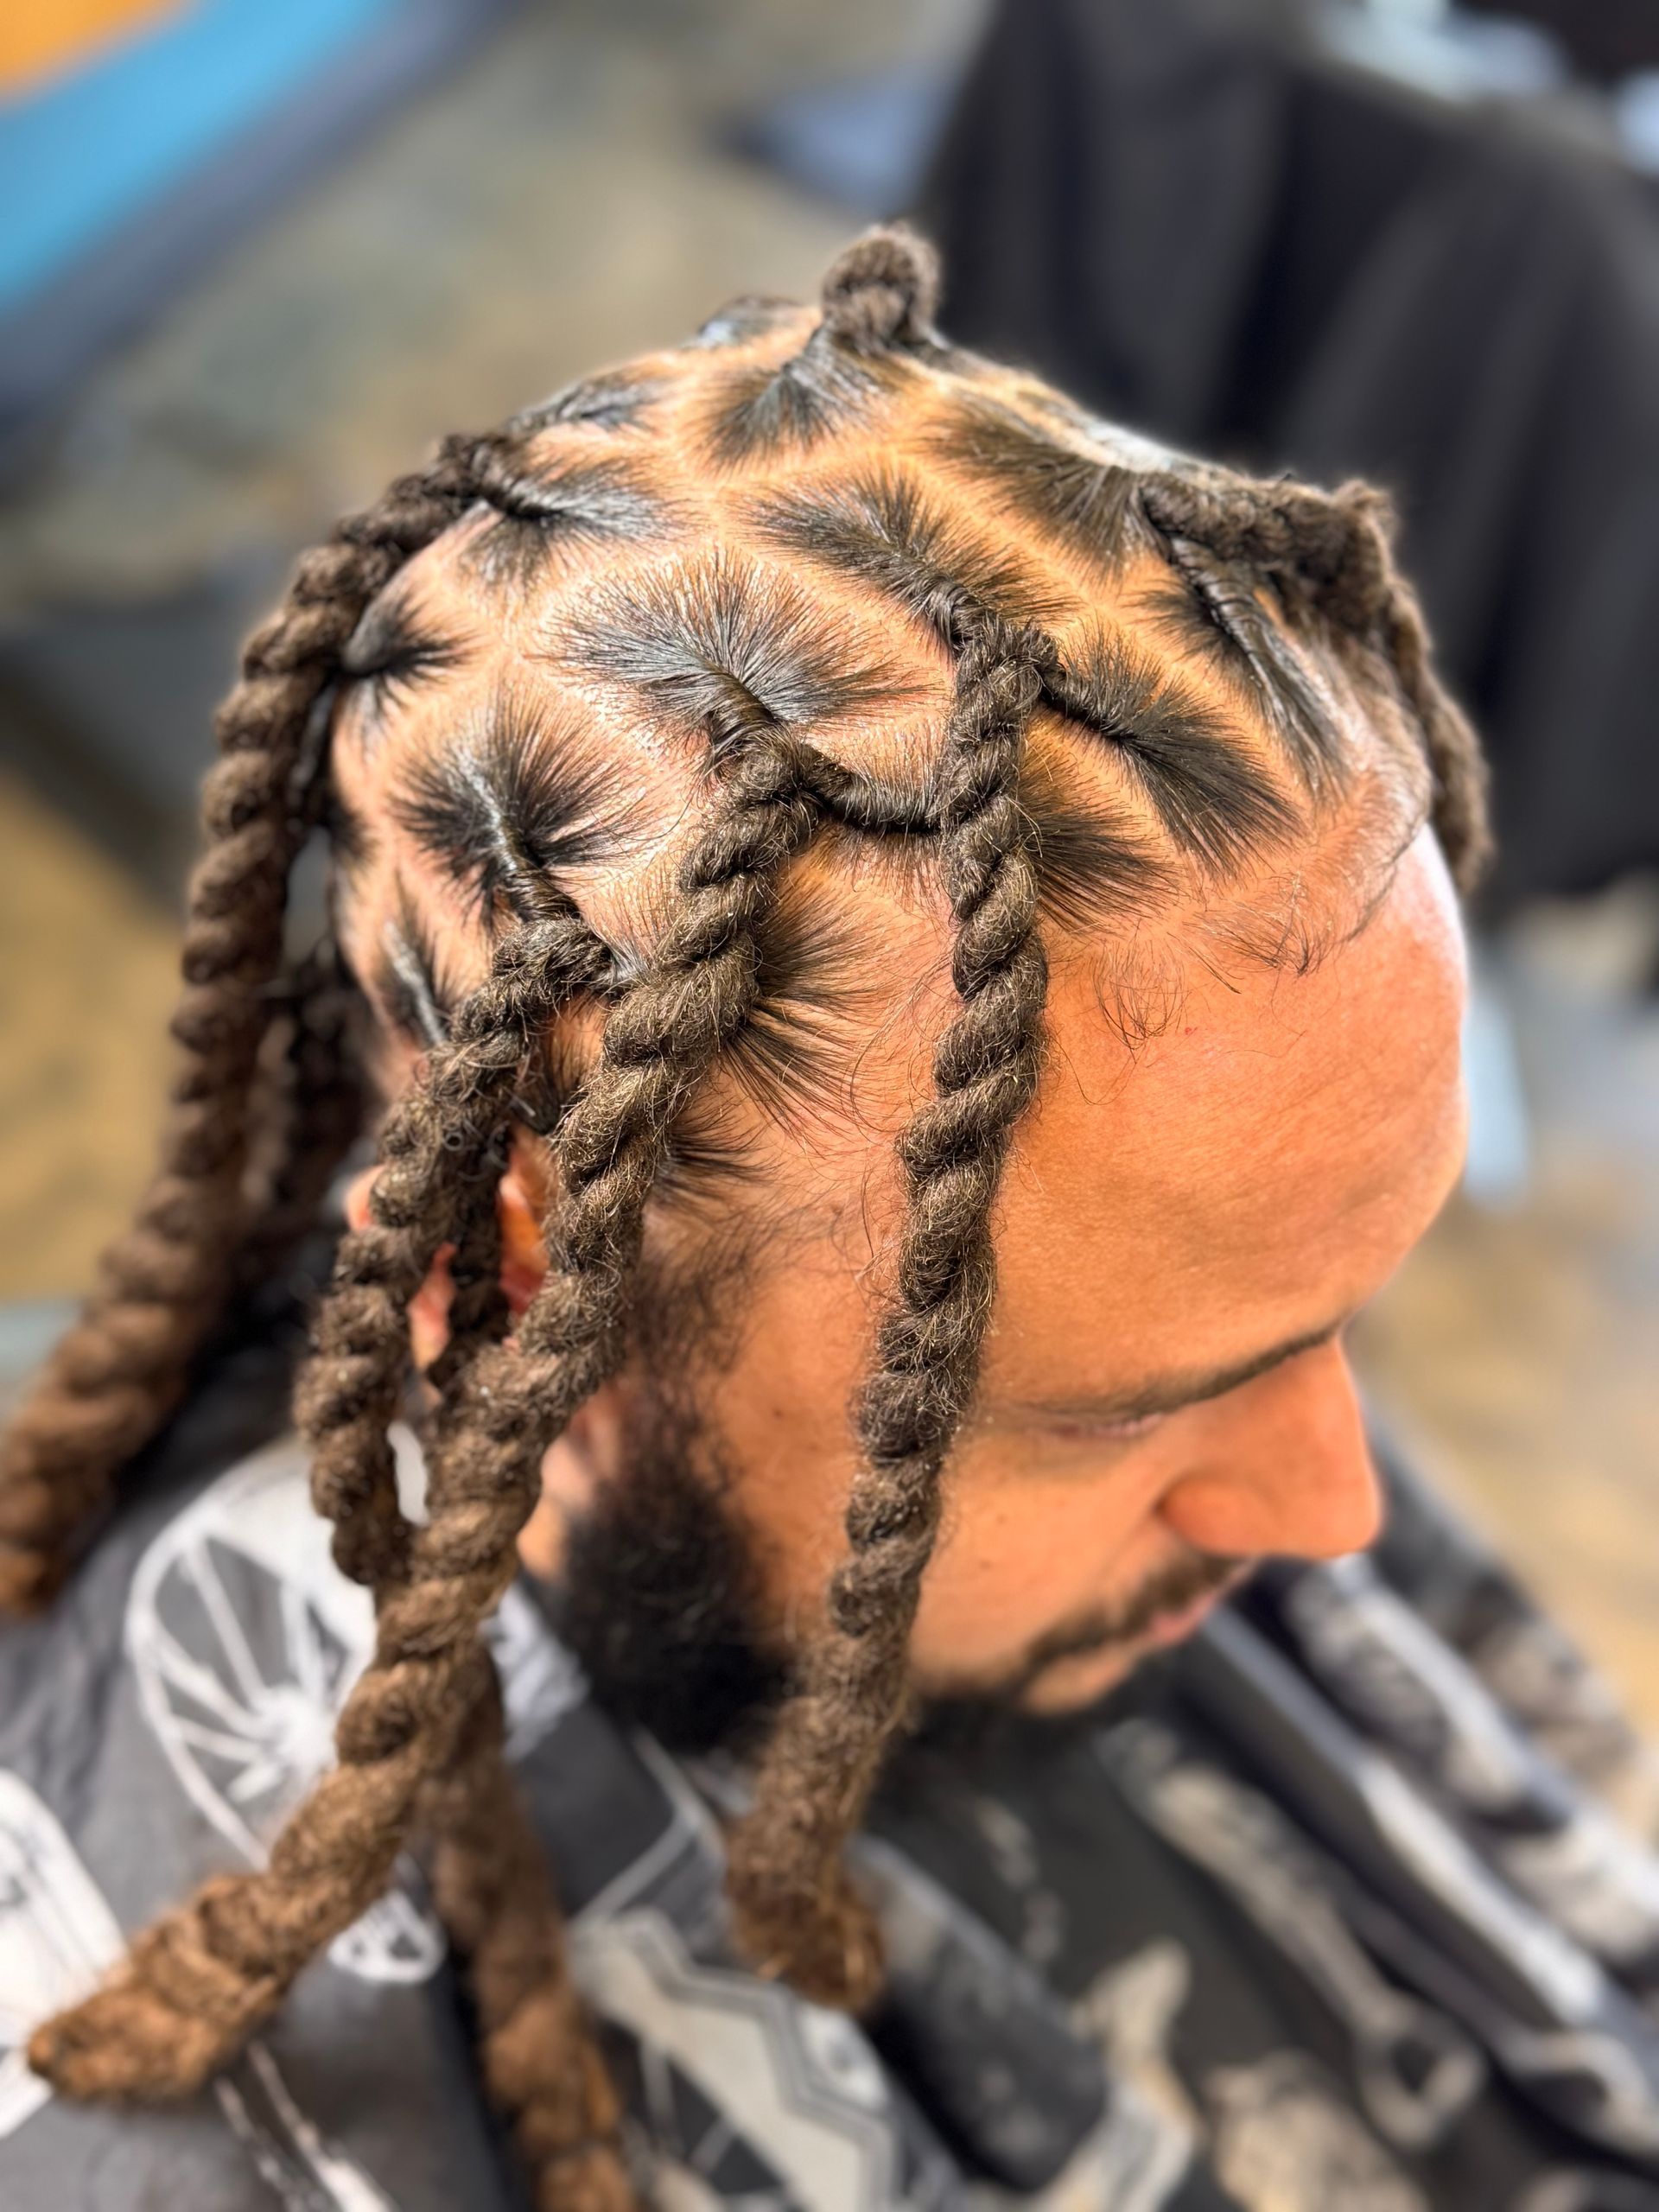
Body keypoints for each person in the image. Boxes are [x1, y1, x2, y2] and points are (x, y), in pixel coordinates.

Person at [2, 226, 1657, 2212]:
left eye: (1348, 1311)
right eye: (1126, 1412)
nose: (1337, 1506)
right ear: (515, 1294)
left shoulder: (1135, 1304)